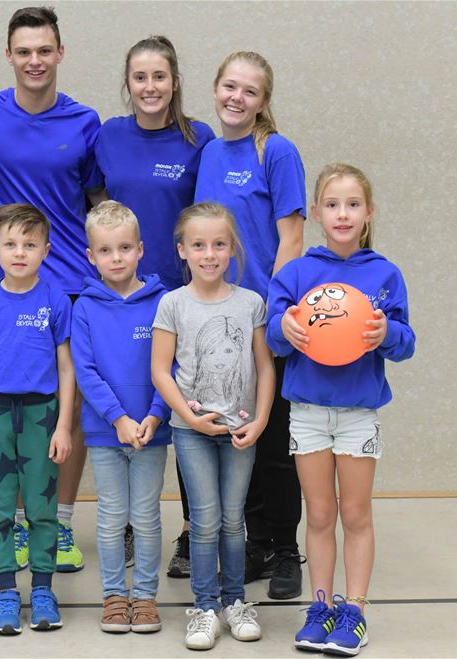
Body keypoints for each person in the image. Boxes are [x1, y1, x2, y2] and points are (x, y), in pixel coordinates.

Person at [0, 4, 103, 575]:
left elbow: (97, 201)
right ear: (9, 55)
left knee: (67, 405)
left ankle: (59, 522)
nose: (35, 60)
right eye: (24, 51)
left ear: (60, 52)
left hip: (69, 285)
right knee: (11, 406)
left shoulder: (85, 121)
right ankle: (21, 523)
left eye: (45, 50)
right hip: (6, 286)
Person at [267, 164, 415, 656]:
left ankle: (355, 613)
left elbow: (406, 342)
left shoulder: (384, 274)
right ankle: (321, 608)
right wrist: (283, 330)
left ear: (369, 212)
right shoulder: (296, 273)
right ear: (316, 212)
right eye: (332, 205)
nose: (343, 214)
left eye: (353, 204)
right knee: (319, 513)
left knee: (354, 513)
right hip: (308, 412)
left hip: (357, 415)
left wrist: (387, 333)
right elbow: (272, 335)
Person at [95, 34, 217, 578]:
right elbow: (97, 206)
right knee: (128, 401)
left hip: (182, 299)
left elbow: (207, 216)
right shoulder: (109, 135)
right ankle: (126, 523)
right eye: (140, 77)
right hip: (124, 299)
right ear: (128, 83)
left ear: (175, 82)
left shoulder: (198, 139)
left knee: (187, 413)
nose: (150, 86)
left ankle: (191, 532)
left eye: (159, 76)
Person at [193, 51, 307, 599]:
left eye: (250, 91)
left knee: (274, 444)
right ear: (216, 89)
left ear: (263, 101)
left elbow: (291, 238)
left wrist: (273, 312)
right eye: (229, 87)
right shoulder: (210, 152)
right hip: (217, 322)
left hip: (264, 321)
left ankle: (286, 551)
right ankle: (255, 546)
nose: (236, 98)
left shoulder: (276, 151)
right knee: (239, 439)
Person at [151, 202, 275, 650]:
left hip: (240, 431)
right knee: (204, 521)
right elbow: (161, 371)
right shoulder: (172, 304)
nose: (209, 254)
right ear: (182, 250)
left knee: (233, 520)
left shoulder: (251, 303)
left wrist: (261, 420)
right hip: (192, 433)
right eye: (199, 245)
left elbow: (264, 366)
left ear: (232, 248)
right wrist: (189, 418)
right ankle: (205, 608)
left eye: (219, 244)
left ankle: (235, 601)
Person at [0, 204, 75, 635]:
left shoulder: (55, 301)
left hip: (42, 414)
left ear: (46, 250)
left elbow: (66, 369)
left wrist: (63, 425)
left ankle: (42, 589)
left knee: (42, 508)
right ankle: (6, 591)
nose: (19, 252)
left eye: (29, 244)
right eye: (10, 244)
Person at [70, 201, 168, 634]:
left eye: (125, 248)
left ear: (140, 250)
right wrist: (118, 419)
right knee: (111, 517)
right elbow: (85, 371)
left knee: (145, 516)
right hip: (106, 433)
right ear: (91, 256)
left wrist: (155, 415)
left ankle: (144, 597)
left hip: (151, 432)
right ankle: (113, 595)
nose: (116, 258)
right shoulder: (85, 307)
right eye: (105, 250)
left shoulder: (163, 302)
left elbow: (172, 367)